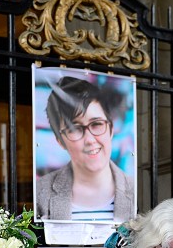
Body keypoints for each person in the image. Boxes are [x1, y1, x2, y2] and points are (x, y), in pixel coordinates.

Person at [35, 76, 135, 222]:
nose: (89, 139)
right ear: (60, 141)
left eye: (96, 124)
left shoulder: (135, 189)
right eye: (75, 129)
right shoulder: (41, 191)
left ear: (111, 129)